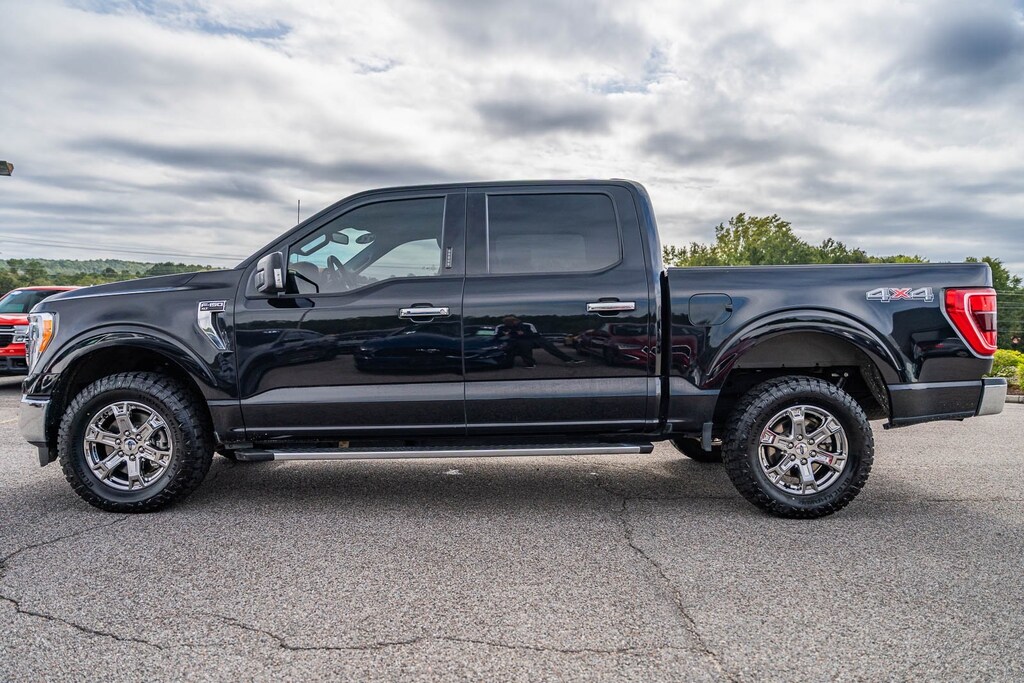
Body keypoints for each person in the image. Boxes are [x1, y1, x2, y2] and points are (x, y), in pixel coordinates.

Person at [497, 316, 584, 368]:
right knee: (523, 344)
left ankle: (568, 359)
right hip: (517, 341)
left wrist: (521, 333)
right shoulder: (502, 327)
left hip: (531, 338)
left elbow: (536, 335)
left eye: (515, 322)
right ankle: (530, 363)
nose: (515, 323)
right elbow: (498, 335)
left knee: (547, 344)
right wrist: (507, 334)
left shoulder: (526, 326)